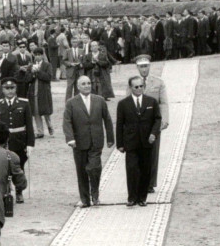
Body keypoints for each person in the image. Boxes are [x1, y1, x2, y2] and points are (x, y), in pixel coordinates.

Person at [61, 75, 114, 208]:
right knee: (81, 171)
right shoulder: (71, 103)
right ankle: (85, 199)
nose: (87, 86)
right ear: (78, 87)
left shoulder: (100, 100)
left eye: (88, 83)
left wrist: (110, 138)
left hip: (96, 141)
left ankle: (95, 195)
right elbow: (67, 122)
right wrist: (70, 139)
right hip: (79, 142)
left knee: (94, 168)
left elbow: (107, 119)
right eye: (83, 84)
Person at [116, 76, 161, 208]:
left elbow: (157, 119)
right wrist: (120, 144)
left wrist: (154, 134)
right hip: (131, 143)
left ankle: (142, 197)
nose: (139, 89)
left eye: (141, 86)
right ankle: (132, 197)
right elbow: (120, 124)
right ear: (130, 88)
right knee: (131, 169)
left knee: (145, 169)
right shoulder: (123, 104)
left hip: (146, 142)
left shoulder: (151, 102)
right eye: (136, 87)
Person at [0, 80, 34, 204]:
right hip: (2, 143)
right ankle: (5, 191)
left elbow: (29, 125)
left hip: (20, 142)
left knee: (18, 168)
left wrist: (30, 144)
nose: (9, 91)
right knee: (3, 168)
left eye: (12, 88)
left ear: (16, 89)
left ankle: (19, 191)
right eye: (7, 88)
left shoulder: (24, 104)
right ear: (2, 90)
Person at [132, 56, 168, 193]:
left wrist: (165, 120)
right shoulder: (132, 83)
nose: (144, 69)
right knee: (139, 153)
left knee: (153, 153)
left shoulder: (158, 82)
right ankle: (140, 181)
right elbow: (128, 103)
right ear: (137, 68)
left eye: (146, 66)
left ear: (150, 66)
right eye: (141, 66)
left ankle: (150, 183)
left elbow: (163, 102)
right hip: (138, 124)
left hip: (153, 123)